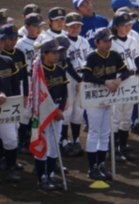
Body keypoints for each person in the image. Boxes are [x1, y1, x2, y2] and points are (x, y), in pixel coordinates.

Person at [82, 28, 130, 180]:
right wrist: (105, 82)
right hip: (94, 100)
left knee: (105, 133)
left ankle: (101, 164)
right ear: (96, 42)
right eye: (105, 41)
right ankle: (92, 167)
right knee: (94, 132)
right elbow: (86, 76)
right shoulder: (92, 56)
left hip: (109, 98)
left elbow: (126, 71)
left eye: (110, 40)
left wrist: (119, 79)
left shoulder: (114, 55)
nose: (108, 43)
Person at [33, 38, 68, 190]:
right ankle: (42, 178)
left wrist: (59, 109)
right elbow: (38, 95)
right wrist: (54, 111)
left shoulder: (60, 69)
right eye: (53, 53)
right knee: (42, 143)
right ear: (44, 54)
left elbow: (65, 92)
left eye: (58, 52)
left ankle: (51, 175)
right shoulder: (38, 72)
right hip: (42, 113)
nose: (57, 55)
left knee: (54, 145)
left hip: (57, 112)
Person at [110, 12, 139, 162]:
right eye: (124, 25)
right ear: (115, 26)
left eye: (130, 24)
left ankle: (122, 146)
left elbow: (138, 59)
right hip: (117, 81)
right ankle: (113, 149)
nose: (128, 27)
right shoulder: (111, 42)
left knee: (126, 117)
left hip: (131, 80)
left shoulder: (133, 40)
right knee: (115, 116)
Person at [60, 12, 91, 157]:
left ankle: (76, 140)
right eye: (72, 26)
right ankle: (63, 141)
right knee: (67, 109)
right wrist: (80, 80)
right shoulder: (61, 40)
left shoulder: (84, 41)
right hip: (68, 78)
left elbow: (88, 61)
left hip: (82, 77)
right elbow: (66, 64)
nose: (76, 29)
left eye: (78, 26)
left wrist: (84, 78)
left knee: (78, 111)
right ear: (65, 26)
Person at [16, 13, 45, 154]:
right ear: (26, 27)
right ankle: (21, 142)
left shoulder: (44, 40)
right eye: (35, 26)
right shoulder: (20, 44)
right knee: (26, 111)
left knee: (39, 110)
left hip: (41, 79)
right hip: (27, 79)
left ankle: (32, 138)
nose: (38, 29)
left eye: (40, 26)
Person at [0, 25, 23, 183]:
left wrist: (17, 104)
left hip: (7, 108)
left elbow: (15, 86)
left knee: (10, 139)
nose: (0, 45)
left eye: (1, 42)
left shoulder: (8, 61)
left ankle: (11, 167)